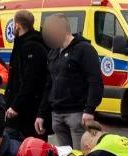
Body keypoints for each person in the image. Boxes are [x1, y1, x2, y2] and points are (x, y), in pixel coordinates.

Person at [35, 14, 102, 148]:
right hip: (57, 114)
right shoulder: (53, 53)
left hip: (77, 114)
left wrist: (89, 110)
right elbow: (48, 86)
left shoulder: (84, 49)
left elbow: (95, 81)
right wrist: (41, 114)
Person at [5, 10, 48, 139]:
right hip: (22, 108)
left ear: (17, 25)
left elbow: (30, 81)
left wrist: (15, 106)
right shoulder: (22, 43)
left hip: (27, 110)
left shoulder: (31, 46)